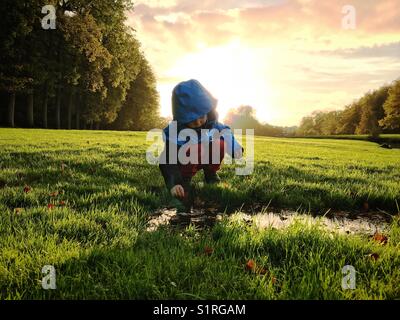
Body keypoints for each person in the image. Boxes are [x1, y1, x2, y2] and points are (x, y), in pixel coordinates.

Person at [159, 79, 244, 214]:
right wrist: (175, 183)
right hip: (185, 162)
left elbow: (226, 133)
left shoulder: (212, 123)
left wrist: (235, 148)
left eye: (201, 116)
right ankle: (185, 181)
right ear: (181, 117)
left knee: (220, 144)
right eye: (191, 119)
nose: (198, 122)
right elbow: (167, 161)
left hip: (203, 157)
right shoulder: (175, 132)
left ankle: (211, 174)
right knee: (193, 149)